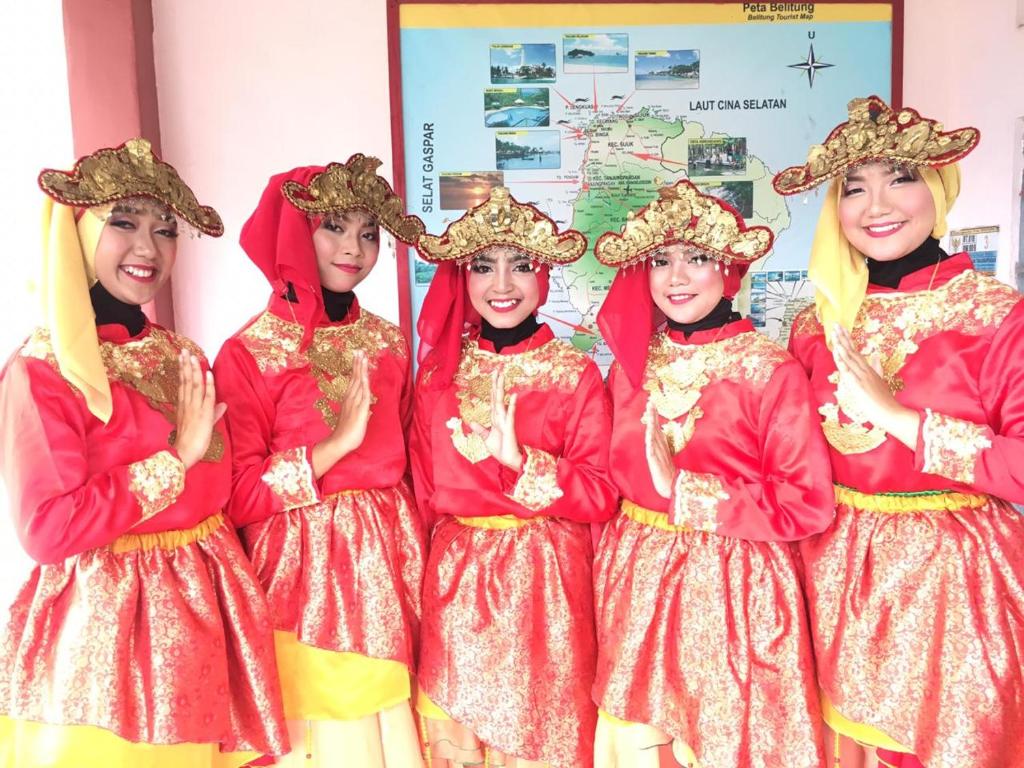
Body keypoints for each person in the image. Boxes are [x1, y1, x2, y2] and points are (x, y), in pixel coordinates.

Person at [0, 138, 288, 767]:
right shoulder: (43, 369)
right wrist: (173, 463)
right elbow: (49, 528)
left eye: (166, 229)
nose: (148, 248)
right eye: (122, 223)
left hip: (209, 605)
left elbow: (224, 495)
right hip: (111, 627)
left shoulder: (182, 354)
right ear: (78, 233)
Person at [774, 95, 1024, 768]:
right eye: (854, 189)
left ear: (938, 190)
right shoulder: (813, 325)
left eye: (901, 179)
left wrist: (899, 419)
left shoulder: (995, 315)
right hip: (829, 568)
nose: (876, 205)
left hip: (952, 582)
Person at [590, 179, 832, 768]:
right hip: (637, 575)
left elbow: (806, 503)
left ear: (731, 270)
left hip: (736, 582)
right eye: (661, 259)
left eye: (697, 259)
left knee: (727, 731)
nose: (675, 277)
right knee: (641, 734)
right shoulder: (630, 365)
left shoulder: (769, 370)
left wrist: (688, 491)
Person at [213, 156, 427, 767]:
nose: (354, 248)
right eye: (334, 226)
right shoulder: (249, 352)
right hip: (303, 572)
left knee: (389, 722)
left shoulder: (386, 341)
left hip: (390, 556)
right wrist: (330, 451)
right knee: (326, 724)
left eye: (369, 233)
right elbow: (238, 494)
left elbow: (409, 459)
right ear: (294, 232)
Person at [410, 187, 617, 767]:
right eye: (483, 266)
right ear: (462, 277)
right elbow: (424, 493)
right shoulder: (438, 374)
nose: (502, 285)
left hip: (545, 582)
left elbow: (601, 493)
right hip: (456, 581)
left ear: (544, 274)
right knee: (458, 739)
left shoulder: (574, 373)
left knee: (541, 733)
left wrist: (525, 464)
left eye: (521, 265)